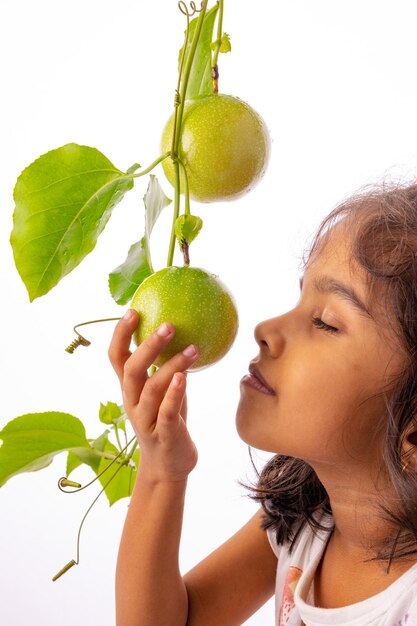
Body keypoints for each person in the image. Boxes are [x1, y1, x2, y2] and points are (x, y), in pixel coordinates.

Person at [108, 179, 417, 626]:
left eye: (326, 322)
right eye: (299, 295)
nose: (265, 328)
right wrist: (160, 471)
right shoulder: (304, 517)